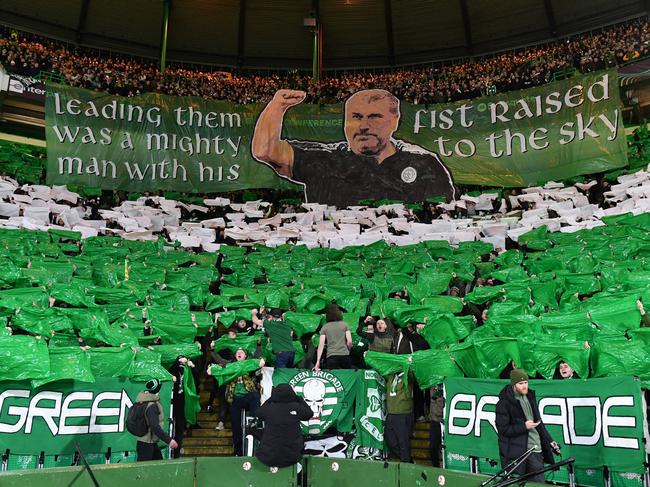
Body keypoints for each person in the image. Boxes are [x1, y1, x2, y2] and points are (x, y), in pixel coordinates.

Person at [252, 88, 456, 207]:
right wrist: (277, 106)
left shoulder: (424, 163)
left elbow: (442, 216)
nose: (363, 126)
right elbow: (265, 151)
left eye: (374, 117)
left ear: (395, 121)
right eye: (355, 117)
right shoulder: (324, 160)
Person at [495, 369, 560, 483]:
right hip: (521, 452)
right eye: (521, 383)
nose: (524, 386)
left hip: (536, 448)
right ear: (514, 384)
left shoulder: (530, 396)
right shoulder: (504, 403)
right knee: (536, 483)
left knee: (537, 483)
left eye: (526, 382)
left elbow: (539, 423)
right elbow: (503, 429)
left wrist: (550, 440)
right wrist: (524, 426)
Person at [255, 383, 313, 468]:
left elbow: (258, 413)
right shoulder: (297, 407)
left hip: (269, 456)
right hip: (292, 456)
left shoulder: (269, 408)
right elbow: (309, 414)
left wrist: (271, 398)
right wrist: (298, 398)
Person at [135, 378, 178, 461]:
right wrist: (169, 440)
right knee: (143, 471)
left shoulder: (144, 400)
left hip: (149, 442)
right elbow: (154, 426)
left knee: (159, 468)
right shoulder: (151, 405)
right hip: (146, 445)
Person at [385, 369, 414, 463]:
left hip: (403, 413)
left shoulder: (408, 375)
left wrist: (407, 364)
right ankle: (407, 460)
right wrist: (368, 356)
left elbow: (414, 375)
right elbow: (380, 368)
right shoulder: (391, 375)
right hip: (391, 413)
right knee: (390, 440)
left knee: (403, 442)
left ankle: (406, 462)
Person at [313, 304, 352, 371]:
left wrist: (318, 362)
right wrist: (348, 350)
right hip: (345, 355)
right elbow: (349, 341)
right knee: (346, 379)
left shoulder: (325, 327)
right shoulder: (344, 324)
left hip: (331, 357)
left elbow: (321, 345)